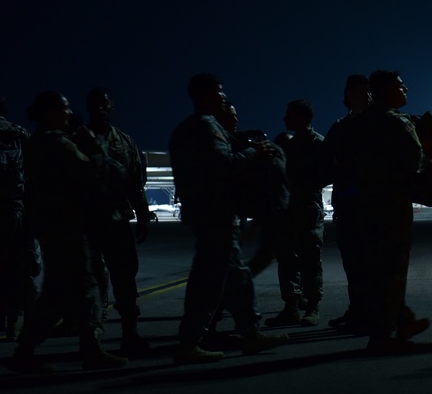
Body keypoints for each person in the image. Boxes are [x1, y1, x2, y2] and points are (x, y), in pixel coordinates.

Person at [168, 73, 288, 365]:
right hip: (215, 215)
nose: (223, 98)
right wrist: (253, 151)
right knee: (208, 282)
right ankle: (189, 342)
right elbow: (224, 164)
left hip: (210, 213)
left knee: (237, 278)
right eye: (219, 93)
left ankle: (251, 334)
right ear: (205, 96)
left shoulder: (185, 128)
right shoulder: (206, 127)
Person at [8, 91, 127, 373]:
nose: (68, 113)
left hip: (57, 225)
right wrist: (89, 139)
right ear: (49, 113)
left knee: (60, 292)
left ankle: (29, 351)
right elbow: (99, 169)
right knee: (83, 288)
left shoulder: (39, 142)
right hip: (67, 226)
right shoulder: (58, 142)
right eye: (63, 108)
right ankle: (89, 350)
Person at [338, 70, 428, 353]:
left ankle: (401, 321)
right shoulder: (397, 122)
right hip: (392, 206)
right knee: (392, 268)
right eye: (401, 87)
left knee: (374, 269)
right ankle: (382, 337)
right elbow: (415, 160)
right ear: (387, 91)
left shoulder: (356, 123)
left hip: (363, 207)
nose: (406, 91)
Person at [72, 87, 151, 356]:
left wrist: (142, 215)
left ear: (112, 106)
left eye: (104, 103)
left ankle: (130, 334)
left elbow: (135, 182)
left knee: (125, 279)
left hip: (117, 222)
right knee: (91, 283)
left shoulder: (125, 141)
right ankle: (92, 342)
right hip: (87, 223)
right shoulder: (78, 139)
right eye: (94, 104)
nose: (100, 108)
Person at [263, 99, 326, 328]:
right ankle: (291, 306)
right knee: (287, 260)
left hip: (307, 209)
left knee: (310, 259)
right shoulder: (289, 147)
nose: (284, 118)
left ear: (301, 117)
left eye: (288, 114)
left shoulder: (318, 143)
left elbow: (328, 173)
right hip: (288, 211)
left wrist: (303, 182)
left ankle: (312, 307)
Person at [323, 74, 371, 334]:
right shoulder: (340, 127)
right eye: (362, 91)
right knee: (353, 264)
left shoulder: (380, 124)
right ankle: (358, 310)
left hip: (374, 206)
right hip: (349, 205)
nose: (368, 96)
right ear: (349, 95)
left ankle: (377, 314)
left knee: (373, 264)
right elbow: (325, 164)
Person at [0, 94, 36, 341]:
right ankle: (13, 322)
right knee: (16, 264)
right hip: (14, 208)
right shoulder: (20, 133)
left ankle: (0, 318)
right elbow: (34, 171)